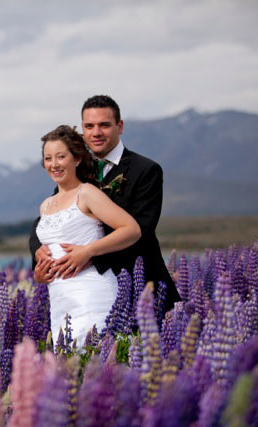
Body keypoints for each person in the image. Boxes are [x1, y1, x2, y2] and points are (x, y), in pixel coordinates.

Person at [30, 95, 181, 317]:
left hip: (141, 286)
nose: (96, 133)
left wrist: (87, 254)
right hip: (79, 291)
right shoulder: (74, 169)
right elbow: (50, 217)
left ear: (119, 127)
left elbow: (142, 230)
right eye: (89, 126)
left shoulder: (145, 170)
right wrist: (40, 253)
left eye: (104, 125)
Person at [34, 124, 141, 345]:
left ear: (77, 159)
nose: (54, 164)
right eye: (48, 158)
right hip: (60, 298)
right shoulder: (45, 205)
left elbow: (131, 229)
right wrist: (39, 274)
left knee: (99, 363)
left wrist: (88, 251)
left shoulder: (87, 193)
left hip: (92, 293)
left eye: (61, 157)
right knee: (69, 370)